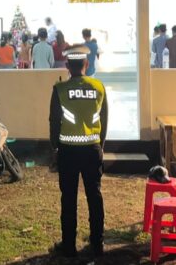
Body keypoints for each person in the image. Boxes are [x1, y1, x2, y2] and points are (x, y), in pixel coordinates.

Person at [49, 45, 108, 258]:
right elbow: (104, 119)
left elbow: (54, 121)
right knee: (95, 196)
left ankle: (68, 246)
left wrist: (54, 148)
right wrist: (100, 145)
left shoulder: (60, 89)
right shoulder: (99, 87)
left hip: (68, 151)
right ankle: (97, 243)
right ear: (86, 64)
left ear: (67, 65)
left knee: (69, 198)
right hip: (92, 149)